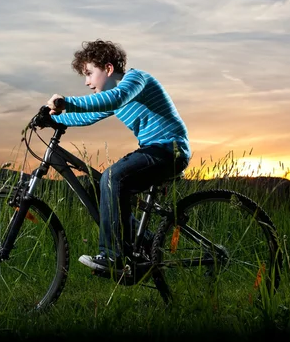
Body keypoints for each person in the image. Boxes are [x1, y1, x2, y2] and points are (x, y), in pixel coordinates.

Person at [47, 39, 191, 272]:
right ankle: (147, 247)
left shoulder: (135, 80)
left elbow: (114, 99)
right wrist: (52, 119)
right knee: (111, 188)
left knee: (113, 177)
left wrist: (67, 102)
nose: (86, 82)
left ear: (109, 68)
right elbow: (87, 115)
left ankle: (113, 257)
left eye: (89, 73)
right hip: (154, 150)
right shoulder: (115, 95)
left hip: (169, 149)